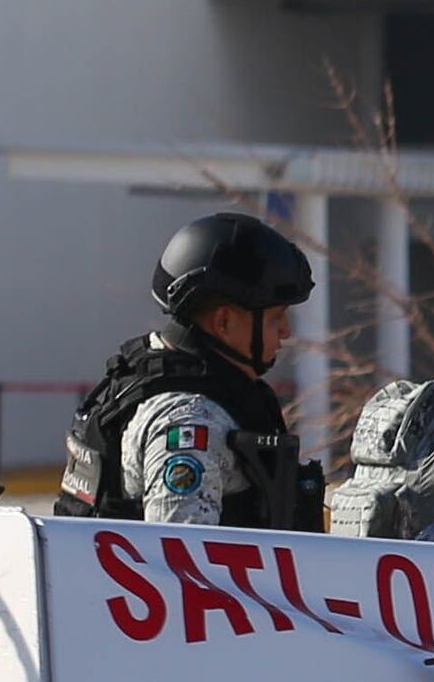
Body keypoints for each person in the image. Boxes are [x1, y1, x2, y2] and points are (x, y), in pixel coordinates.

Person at [57, 212, 323, 530]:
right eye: (275, 318)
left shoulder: (166, 377)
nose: (286, 332)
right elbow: (182, 560)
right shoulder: (189, 420)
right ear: (223, 322)